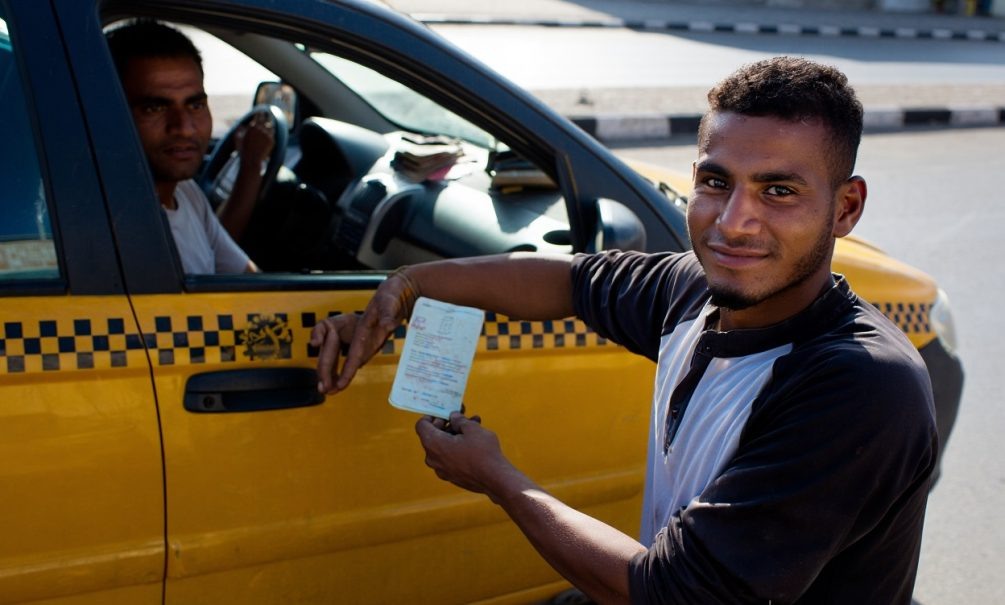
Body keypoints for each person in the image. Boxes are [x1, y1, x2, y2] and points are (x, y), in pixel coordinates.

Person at [310, 57, 938, 604]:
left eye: (778, 191)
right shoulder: (693, 291)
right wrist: (408, 286)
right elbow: (568, 282)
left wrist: (498, 479)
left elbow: (671, 593)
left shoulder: (860, 386)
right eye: (716, 182)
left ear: (846, 207)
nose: (733, 222)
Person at [106, 20, 273, 274]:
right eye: (154, 108)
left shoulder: (184, 191)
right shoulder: (120, 229)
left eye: (195, 105)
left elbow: (237, 268)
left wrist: (250, 166)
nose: (185, 128)